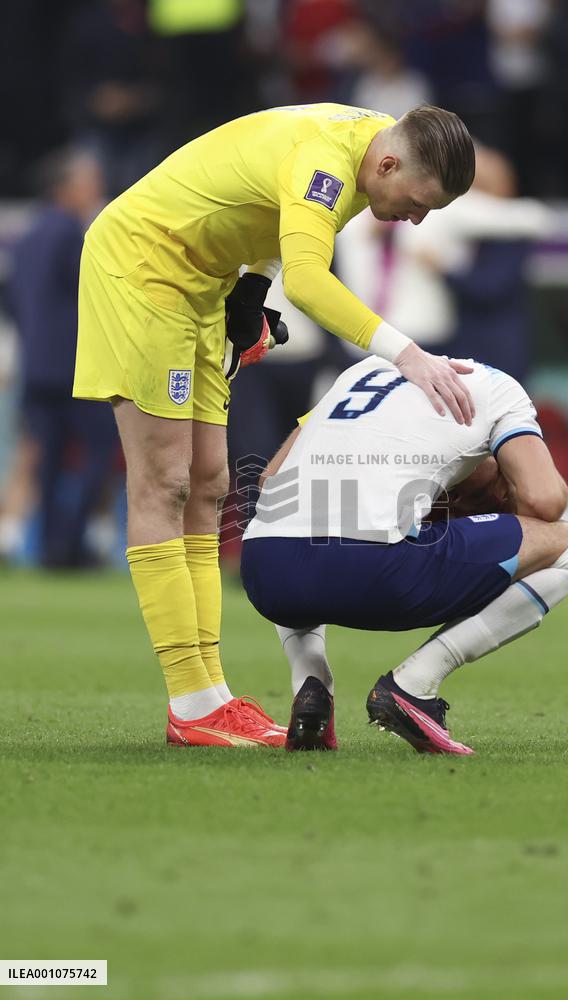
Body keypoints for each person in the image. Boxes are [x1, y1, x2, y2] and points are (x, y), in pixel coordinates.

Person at [73, 102, 476, 748]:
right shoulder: (331, 161)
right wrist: (410, 355)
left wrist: (252, 288)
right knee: (164, 483)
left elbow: (269, 207)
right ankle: (191, 699)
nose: (417, 218)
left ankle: (212, 696)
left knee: (209, 484)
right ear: (391, 163)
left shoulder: (370, 156)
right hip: (144, 268)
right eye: (419, 201)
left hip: (203, 278)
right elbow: (313, 282)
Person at [241, 356, 568, 755]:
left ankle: (310, 685)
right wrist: (506, 499)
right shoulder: (499, 387)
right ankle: (414, 685)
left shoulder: (361, 371)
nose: (461, 503)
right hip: (372, 572)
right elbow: (543, 499)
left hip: (264, 571)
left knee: (295, 525)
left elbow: (270, 478)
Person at [9, 149, 119, 568]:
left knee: (49, 459)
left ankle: (53, 547)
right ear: (65, 187)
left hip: (35, 366)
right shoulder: (72, 233)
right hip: (74, 367)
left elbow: (14, 301)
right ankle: (70, 543)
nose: (95, 188)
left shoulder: (28, 234)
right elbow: (93, 295)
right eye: (88, 180)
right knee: (100, 448)